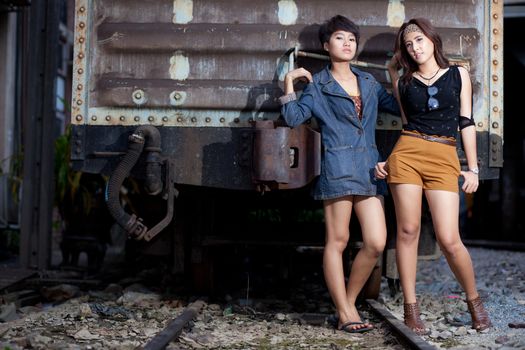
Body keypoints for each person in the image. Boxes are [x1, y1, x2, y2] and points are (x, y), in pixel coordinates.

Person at [279, 15, 400, 333]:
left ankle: (345, 304)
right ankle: (347, 312)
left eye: (352, 39)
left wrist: (400, 76)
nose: (347, 44)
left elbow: (399, 108)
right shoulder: (319, 85)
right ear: (325, 45)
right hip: (337, 167)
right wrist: (289, 83)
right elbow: (294, 118)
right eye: (339, 38)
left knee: (375, 241)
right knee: (339, 239)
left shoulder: (370, 82)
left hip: (370, 169)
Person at [375, 18, 491, 334]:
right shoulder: (404, 81)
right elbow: (405, 121)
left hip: (444, 156)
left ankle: (475, 303)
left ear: (432, 39)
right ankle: (411, 311)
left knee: (449, 238)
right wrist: (391, 70)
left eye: (419, 40)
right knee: (408, 230)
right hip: (408, 154)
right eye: (409, 44)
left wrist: (473, 168)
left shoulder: (458, 74)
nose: (415, 47)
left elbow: (465, 121)